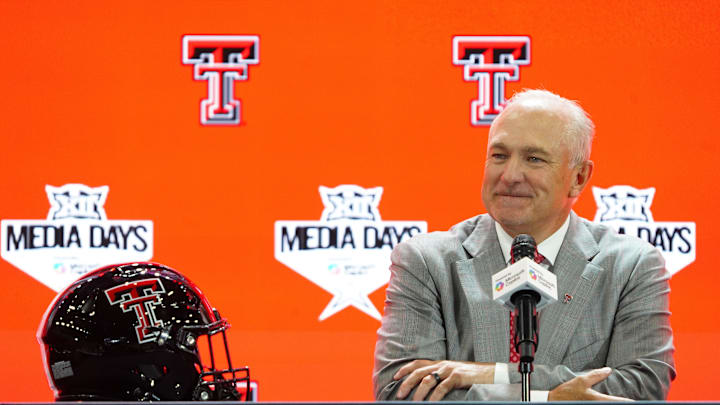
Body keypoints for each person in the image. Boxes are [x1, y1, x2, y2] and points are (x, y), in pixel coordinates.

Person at [373, 89, 675, 401]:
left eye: (534, 159)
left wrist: (496, 374)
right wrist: (548, 399)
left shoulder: (632, 265)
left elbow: (644, 386)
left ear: (579, 177)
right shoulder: (425, 261)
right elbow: (401, 392)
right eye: (499, 156)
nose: (510, 175)